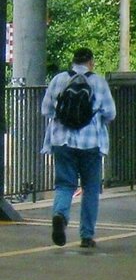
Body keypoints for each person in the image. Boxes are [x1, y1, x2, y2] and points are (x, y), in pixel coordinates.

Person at [41, 47, 117, 249]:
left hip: (62, 141)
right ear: (90, 62)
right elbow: (110, 113)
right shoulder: (98, 82)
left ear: (73, 61)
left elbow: (46, 110)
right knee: (91, 188)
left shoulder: (59, 80)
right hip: (90, 143)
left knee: (65, 185)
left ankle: (60, 214)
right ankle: (86, 236)